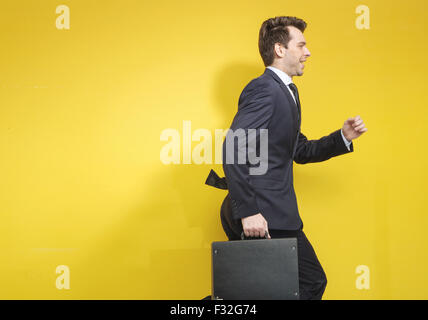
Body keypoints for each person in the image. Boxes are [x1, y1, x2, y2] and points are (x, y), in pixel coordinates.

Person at [220, 16, 368, 300]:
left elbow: (298, 150)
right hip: (261, 214)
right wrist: (249, 211)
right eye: (301, 45)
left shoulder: (287, 91)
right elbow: (233, 147)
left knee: (256, 292)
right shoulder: (265, 89)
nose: (307, 52)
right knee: (304, 283)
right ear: (279, 49)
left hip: (272, 212)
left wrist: (343, 137)